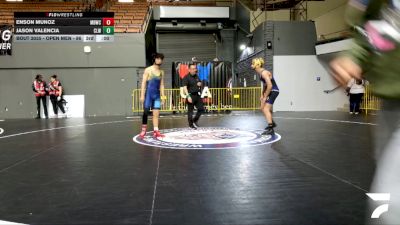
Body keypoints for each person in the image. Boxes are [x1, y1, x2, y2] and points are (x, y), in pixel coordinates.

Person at [330, 0, 400, 224]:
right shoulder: (372, 4)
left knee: (388, 204)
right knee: (384, 190)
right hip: (388, 103)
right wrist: (354, 56)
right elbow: (367, 31)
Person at [139, 53, 166, 139]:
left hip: (157, 96)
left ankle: (156, 131)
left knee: (156, 114)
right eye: (157, 58)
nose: (159, 60)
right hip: (148, 95)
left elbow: (162, 85)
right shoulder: (148, 70)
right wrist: (142, 95)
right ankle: (143, 131)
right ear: (154, 59)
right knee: (146, 112)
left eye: (161, 59)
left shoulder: (161, 72)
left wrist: (163, 96)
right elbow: (143, 83)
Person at [251, 57, 279, 135]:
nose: (251, 65)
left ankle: (271, 128)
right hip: (270, 91)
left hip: (273, 91)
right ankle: (272, 123)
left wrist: (265, 97)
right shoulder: (261, 74)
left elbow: (270, 86)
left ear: (257, 65)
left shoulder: (264, 73)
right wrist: (262, 95)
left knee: (266, 108)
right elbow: (265, 85)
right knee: (263, 108)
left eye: (253, 64)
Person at [182, 63, 205, 129]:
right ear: (189, 70)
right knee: (190, 111)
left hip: (197, 95)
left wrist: (200, 84)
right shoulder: (186, 77)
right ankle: (190, 125)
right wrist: (188, 96)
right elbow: (185, 87)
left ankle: (194, 120)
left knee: (201, 109)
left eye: (195, 68)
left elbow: (199, 83)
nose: (194, 70)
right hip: (190, 95)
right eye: (192, 69)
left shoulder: (197, 76)